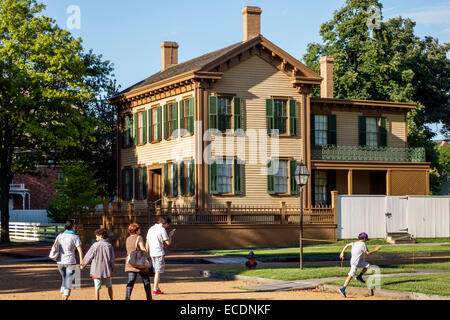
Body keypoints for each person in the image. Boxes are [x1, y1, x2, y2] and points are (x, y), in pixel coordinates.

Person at [338, 232, 381, 298]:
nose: (366, 240)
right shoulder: (363, 244)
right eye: (366, 239)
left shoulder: (354, 243)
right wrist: (375, 250)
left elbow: (347, 245)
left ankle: (359, 276)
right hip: (355, 263)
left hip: (355, 261)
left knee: (368, 265)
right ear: (364, 238)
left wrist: (342, 252)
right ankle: (343, 289)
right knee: (350, 276)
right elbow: (368, 253)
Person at [80, 229, 115, 300]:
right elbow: (112, 259)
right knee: (109, 285)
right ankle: (111, 298)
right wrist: (112, 268)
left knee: (97, 287)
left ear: (101, 236)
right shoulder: (109, 246)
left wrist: (83, 265)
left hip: (96, 269)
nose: (96, 238)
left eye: (97, 236)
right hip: (107, 269)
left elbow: (88, 256)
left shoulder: (95, 245)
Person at [146, 217, 175, 295]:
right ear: (166, 223)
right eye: (167, 225)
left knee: (156, 271)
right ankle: (155, 289)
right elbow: (168, 243)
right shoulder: (162, 230)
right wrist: (170, 235)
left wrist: (146, 252)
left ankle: (157, 288)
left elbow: (147, 241)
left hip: (151, 252)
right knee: (157, 271)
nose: (167, 226)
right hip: (159, 252)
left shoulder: (151, 228)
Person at [56, 219, 84, 300]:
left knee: (64, 279)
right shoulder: (75, 237)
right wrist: (81, 262)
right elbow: (80, 250)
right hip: (70, 261)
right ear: (73, 227)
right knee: (68, 282)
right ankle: (64, 298)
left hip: (60, 261)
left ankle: (62, 296)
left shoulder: (59, 236)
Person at [125, 223, 152, 300]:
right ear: (136, 231)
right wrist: (148, 257)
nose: (140, 230)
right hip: (140, 263)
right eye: (139, 229)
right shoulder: (139, 237)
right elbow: (143, 248)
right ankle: (149, 298)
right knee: (146, 281)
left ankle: (127, 298)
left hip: (130, 263)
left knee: (131, 281)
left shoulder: (127, 239)